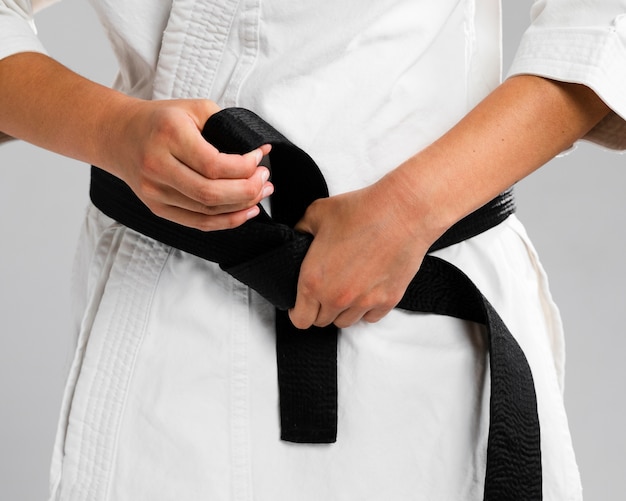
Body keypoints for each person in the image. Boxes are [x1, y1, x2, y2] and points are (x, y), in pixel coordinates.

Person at [1, 0, 624, 499]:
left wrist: (411, 207)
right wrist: (111, 130)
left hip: (421, 329)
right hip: (170, 326)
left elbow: (604, 21)